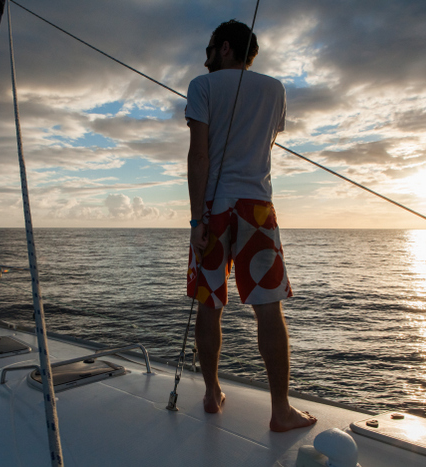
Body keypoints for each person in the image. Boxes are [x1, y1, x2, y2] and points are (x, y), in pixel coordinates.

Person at [185, 20, 316, 432]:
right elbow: (266, 144)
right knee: (269, 310)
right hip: (257, 208)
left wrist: (196, 220)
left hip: (214, 208)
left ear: (224, 48)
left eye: (209, 48)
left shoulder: (201, 88)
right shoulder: (275, 89)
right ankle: (280, 411)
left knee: (210, 304)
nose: (205, 56)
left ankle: (211, 394)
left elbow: (199, 157)